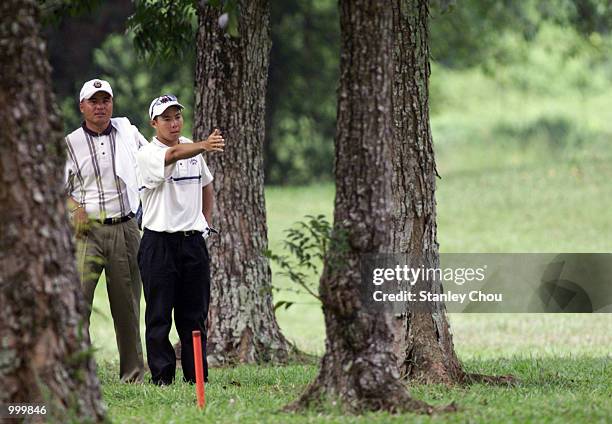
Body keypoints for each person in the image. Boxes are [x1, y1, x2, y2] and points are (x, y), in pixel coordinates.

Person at [136, 94, 224, 385]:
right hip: (158, 243)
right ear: (154, 123)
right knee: (159, 315)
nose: (174, 124)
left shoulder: (191, 150)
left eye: (177, 117)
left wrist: (204, 222)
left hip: (192, 243)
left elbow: (206, 185)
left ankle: (196, 375)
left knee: (194, 315)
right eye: (166, 118)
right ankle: (162, 378)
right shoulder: (148, 154)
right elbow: (172, 156)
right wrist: (202, 145)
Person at [64, 78, 146, 382]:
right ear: (82, 106)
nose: (101, 107)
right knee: (78, 303)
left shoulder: (128, 133)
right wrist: (75, 208)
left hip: (124, 227)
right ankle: (78, 374)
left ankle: (133, 374)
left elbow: (152, 161)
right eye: (94, 101)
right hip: (87, 232)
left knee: (127, 305)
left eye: (106, 100)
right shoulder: (71, 143)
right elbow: (56, 187)